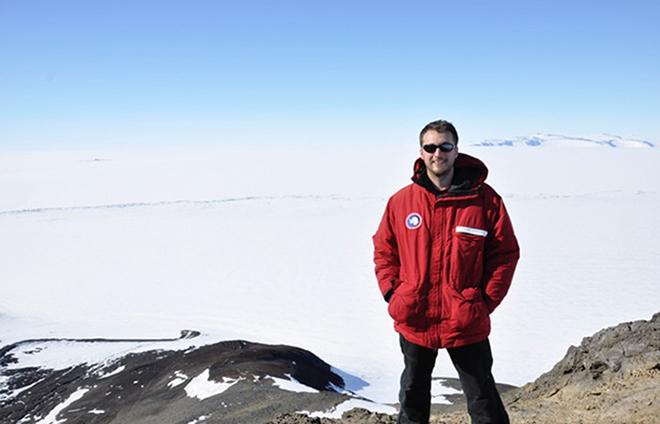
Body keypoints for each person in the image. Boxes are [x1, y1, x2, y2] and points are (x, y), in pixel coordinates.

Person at [372, 119, 520, 424]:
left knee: (483, 399)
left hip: (464, 318)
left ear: (456, 151)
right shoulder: (402, 202)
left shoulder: (485, 201)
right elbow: (384, 250)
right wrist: (394, 293)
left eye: (444, 146)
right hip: (415, 315)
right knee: (412, 397)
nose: (437, 153)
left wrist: (482, 302)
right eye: (430, 147)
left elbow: (505, 254)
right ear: (421, 152)